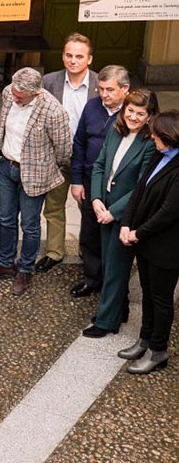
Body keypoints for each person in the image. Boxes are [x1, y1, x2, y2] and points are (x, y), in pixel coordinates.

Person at [0, 67, 72, 295]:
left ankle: (25, 270)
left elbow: (64, 149)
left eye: (20, 97)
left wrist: (47, 168)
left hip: (35, 174)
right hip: (7, 167)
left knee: (30, 225)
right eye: (13, 93)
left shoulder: (54, 111)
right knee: (5, 217)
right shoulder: (8, 93)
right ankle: (5, 264)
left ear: (36, 93)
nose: (14, 98)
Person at [84, 89, 157, 338]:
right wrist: (95, 198)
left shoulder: (149, 144)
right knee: (109, 264)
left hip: (126, 215)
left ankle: (107, 322)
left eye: (140, 113)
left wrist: (113, 212)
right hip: (103, 206)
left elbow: (141, 187)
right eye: (130, 111)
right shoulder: (116, 132)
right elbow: (100, 165)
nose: (134, 117)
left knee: (115, 269)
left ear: (149, 116)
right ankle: (119, 309)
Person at [118, 111, 179, 374]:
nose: (151, 136)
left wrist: (137, 233)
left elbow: (168, 212)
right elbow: (140, 189)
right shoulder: (159, 154)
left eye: (156, 134)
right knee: (147, 292)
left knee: (162, 300)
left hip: (166, 247)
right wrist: (126, 223)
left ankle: (158, 350)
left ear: (169, 137)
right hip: (144, 241)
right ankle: (144, 339)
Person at [68, 65, 130, 300]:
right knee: (90, 234)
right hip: (89, 180)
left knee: (114, 238)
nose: (104, 94)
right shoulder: (92, 106)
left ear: (125, 89)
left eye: (110, 90)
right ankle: (92, 279)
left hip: (119, 186)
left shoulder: (133, 112)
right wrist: (76, 180)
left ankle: (114, 288)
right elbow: (80, 143)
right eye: (101, 89)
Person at [37, 33, 98, 273]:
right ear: (63, 56)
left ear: (89, 59)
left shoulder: (98, 83)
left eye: (79, 56)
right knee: (53, 206)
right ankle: (54, 251)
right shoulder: (49, 81)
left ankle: (88, 250)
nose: (73, 60)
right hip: (57, 155)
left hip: (89, 157)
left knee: (89, 206)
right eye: (69, 55)